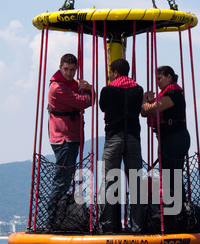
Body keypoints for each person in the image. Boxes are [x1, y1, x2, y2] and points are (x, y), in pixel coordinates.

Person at [47, 53, 93, 226]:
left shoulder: (70, 84)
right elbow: (83, 102)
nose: (69, 73)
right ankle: (51, 220)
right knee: (62, 181)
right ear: (60, 67)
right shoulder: (58, 87)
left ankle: (58, 217)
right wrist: (89, 89)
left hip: (69, 137)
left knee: (65, 179)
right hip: (64, 138)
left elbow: (85, 100)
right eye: (66, 69)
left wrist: (87, 91)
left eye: (72, 70)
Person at [99, 58, 144, 234]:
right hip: (133, 138)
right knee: (136, 183)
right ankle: (136, 225)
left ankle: (109, 225)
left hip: (113, 138)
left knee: (110, 182)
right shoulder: (138, 89)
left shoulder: (108, 90)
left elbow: (103, 107)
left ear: (115, 72)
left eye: (110, 72)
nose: (109, 76)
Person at [141, 65, 191, 206]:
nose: (157, 82)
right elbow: (146, 112)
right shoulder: (170, 94)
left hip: (174, 138)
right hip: (172, 138)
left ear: (169, 77)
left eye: (159, 78)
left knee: (171, 175)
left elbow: (150, 110)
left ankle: (175, 208)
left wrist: (145, 100)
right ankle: (177, 208)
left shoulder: (173, 94)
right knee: (172, 175)